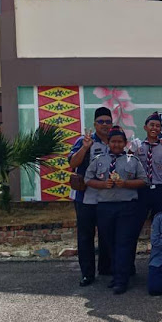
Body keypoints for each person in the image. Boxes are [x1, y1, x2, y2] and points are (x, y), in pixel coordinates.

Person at [85, 127, 148, 294]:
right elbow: (87, 179)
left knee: (123, 242)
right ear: (108, 143)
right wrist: (102, 184)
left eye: (120, 141)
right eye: (113, 141)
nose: (116, 144)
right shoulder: (99, 160)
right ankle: (117, 274)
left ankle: (122, 280)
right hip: (105, 206)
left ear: (125, 143)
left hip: (126, 207)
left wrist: (125, 183)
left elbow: (143, 180)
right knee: (110, 242)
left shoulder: (132, 160)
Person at [68, 106, 112, 286]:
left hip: (107, 196)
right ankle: (87, 273)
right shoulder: (84, 140)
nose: (104, 125)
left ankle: (105, 267)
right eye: (100, 122)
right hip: (84, 196)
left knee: (106, 233)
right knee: (85, 236)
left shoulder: (115, 141)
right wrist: (85, 148)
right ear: (95, 124)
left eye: (107, 122)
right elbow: (72, 163)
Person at [131, 111, 162, 265]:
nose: (155, 128)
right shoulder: (137, 147)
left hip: (160, 190)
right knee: (134, 227)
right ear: (145, 127)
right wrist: (131, 152)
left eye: (157, 126)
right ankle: (129, 266)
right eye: (152, 125)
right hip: (142, 190)